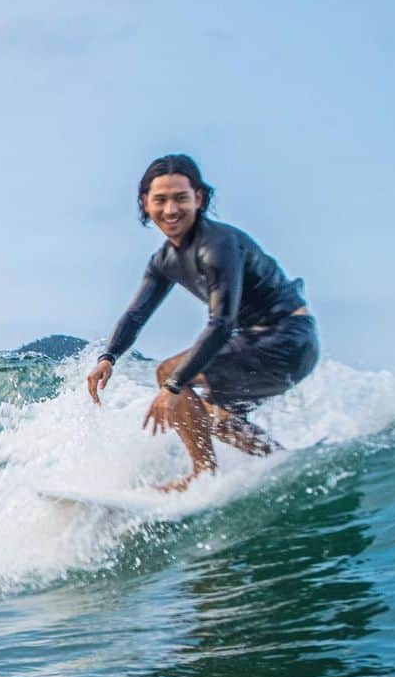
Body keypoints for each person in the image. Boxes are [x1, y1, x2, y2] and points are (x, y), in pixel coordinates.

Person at [86, 155, 319, 492]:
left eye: (180, 198)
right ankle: (284, 467)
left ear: (199, 198)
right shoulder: (165, 260)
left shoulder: (217, 245)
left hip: (285, 338)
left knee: (169, 373)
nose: (170, 210)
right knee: (222, 423)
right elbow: (137, 313)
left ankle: (202, 474)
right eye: (160, 199)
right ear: (145, 203)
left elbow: (221, 324)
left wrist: (173, 386)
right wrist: (108, 357)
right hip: (282, 343)